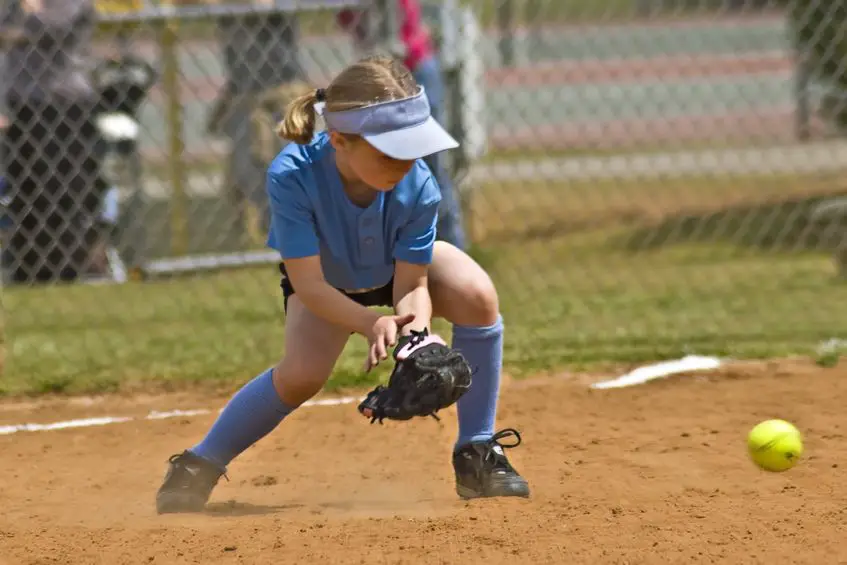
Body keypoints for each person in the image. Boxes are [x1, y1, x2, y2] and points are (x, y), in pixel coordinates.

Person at [154, 55, 529, 515]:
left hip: (395, 276)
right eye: (389, 150)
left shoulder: (418, 184)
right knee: (301, 376)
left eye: (413, 147)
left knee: (476, 293)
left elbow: (412, 282)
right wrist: (371, 323)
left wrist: (417, 337)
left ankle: (476, 451)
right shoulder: (292, 176)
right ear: (338, 140)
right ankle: (200, 462)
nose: (405, 161)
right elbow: (307, 283)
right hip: (326, 287)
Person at [337, 0, 467, 251]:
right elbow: (346, 18)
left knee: (430, 169)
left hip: (413, 70)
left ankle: (450, 250)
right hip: (377, 78)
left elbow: (400, 20)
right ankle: (394, 255)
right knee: (378, 170)